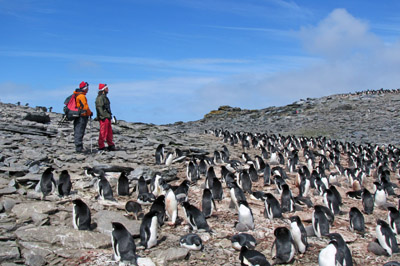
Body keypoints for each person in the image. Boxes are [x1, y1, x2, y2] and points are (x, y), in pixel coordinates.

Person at [73, 81, 92, 153]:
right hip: (82, 116)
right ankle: (79, 148)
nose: (88, 89)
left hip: (79, 115)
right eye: (87, 87)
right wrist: (90, 113)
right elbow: (85, 107)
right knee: (80, 130)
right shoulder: (81, 96)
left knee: (78, 130)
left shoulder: (78, 95)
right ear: (85, 88)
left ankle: (79, 147)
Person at [95, 83, 115, 151]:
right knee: (103, 132)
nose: (108, 89)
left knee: (109, 132)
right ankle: (101, 146)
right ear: (103, 89)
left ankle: (110, 145)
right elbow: (99, 107)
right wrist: (102, 116)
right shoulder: (100, 98)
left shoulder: (104, 97)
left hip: (107, 116)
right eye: (107, 88)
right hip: (104, 117)